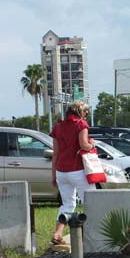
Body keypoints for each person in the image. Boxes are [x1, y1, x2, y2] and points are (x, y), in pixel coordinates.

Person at [50, 101, 95, 245]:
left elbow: (55, 154)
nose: (86, 115)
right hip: (77, 170)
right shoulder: (81, 125)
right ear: (80, 111)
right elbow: (83, 145)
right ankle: (91, 234)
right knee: (90, 201)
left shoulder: (57, 127)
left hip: (61, 171)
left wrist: (53, 175)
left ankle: (57, 233)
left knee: (68, 204)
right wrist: (92, 143)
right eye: (86, 112)